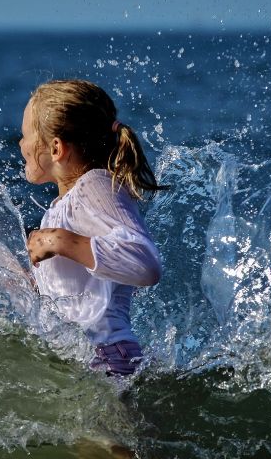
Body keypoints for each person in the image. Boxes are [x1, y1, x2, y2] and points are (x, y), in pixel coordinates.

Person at [19, 79, 166, 376]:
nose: (21, 144)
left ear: (56, 148)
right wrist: (21, 284)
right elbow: (77, 297)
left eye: (25, 135)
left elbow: (145, 263)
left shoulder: (95, 185)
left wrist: (59, 241)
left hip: (109, 356)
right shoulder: (65, 205)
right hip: (85, 359)